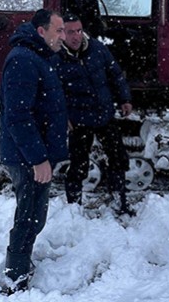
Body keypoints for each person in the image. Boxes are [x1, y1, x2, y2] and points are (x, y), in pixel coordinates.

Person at [0, 9, 68, 294]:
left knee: (35, 215)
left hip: (35, 153)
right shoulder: (23, 61)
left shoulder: (38, 57)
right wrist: (38, 159)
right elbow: (18, 116)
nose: (64, 37)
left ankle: (20, 264)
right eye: (59, 30)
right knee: (28, 217)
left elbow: (41, 104)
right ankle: (14, 278)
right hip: (27, 157)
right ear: (42, 32)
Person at [51, 13, 133, 214]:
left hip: (104, 114)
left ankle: (118, 201)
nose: (76, 36)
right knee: (78, 164)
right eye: (70, 32)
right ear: (62, 33)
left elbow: (115, 74)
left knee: (118, 158)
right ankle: (74, 207)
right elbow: (53, 93)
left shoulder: (97, 48)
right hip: (79, 120)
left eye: (79, 31)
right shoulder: (55, 57)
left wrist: (125, 99)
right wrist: (62, 117)